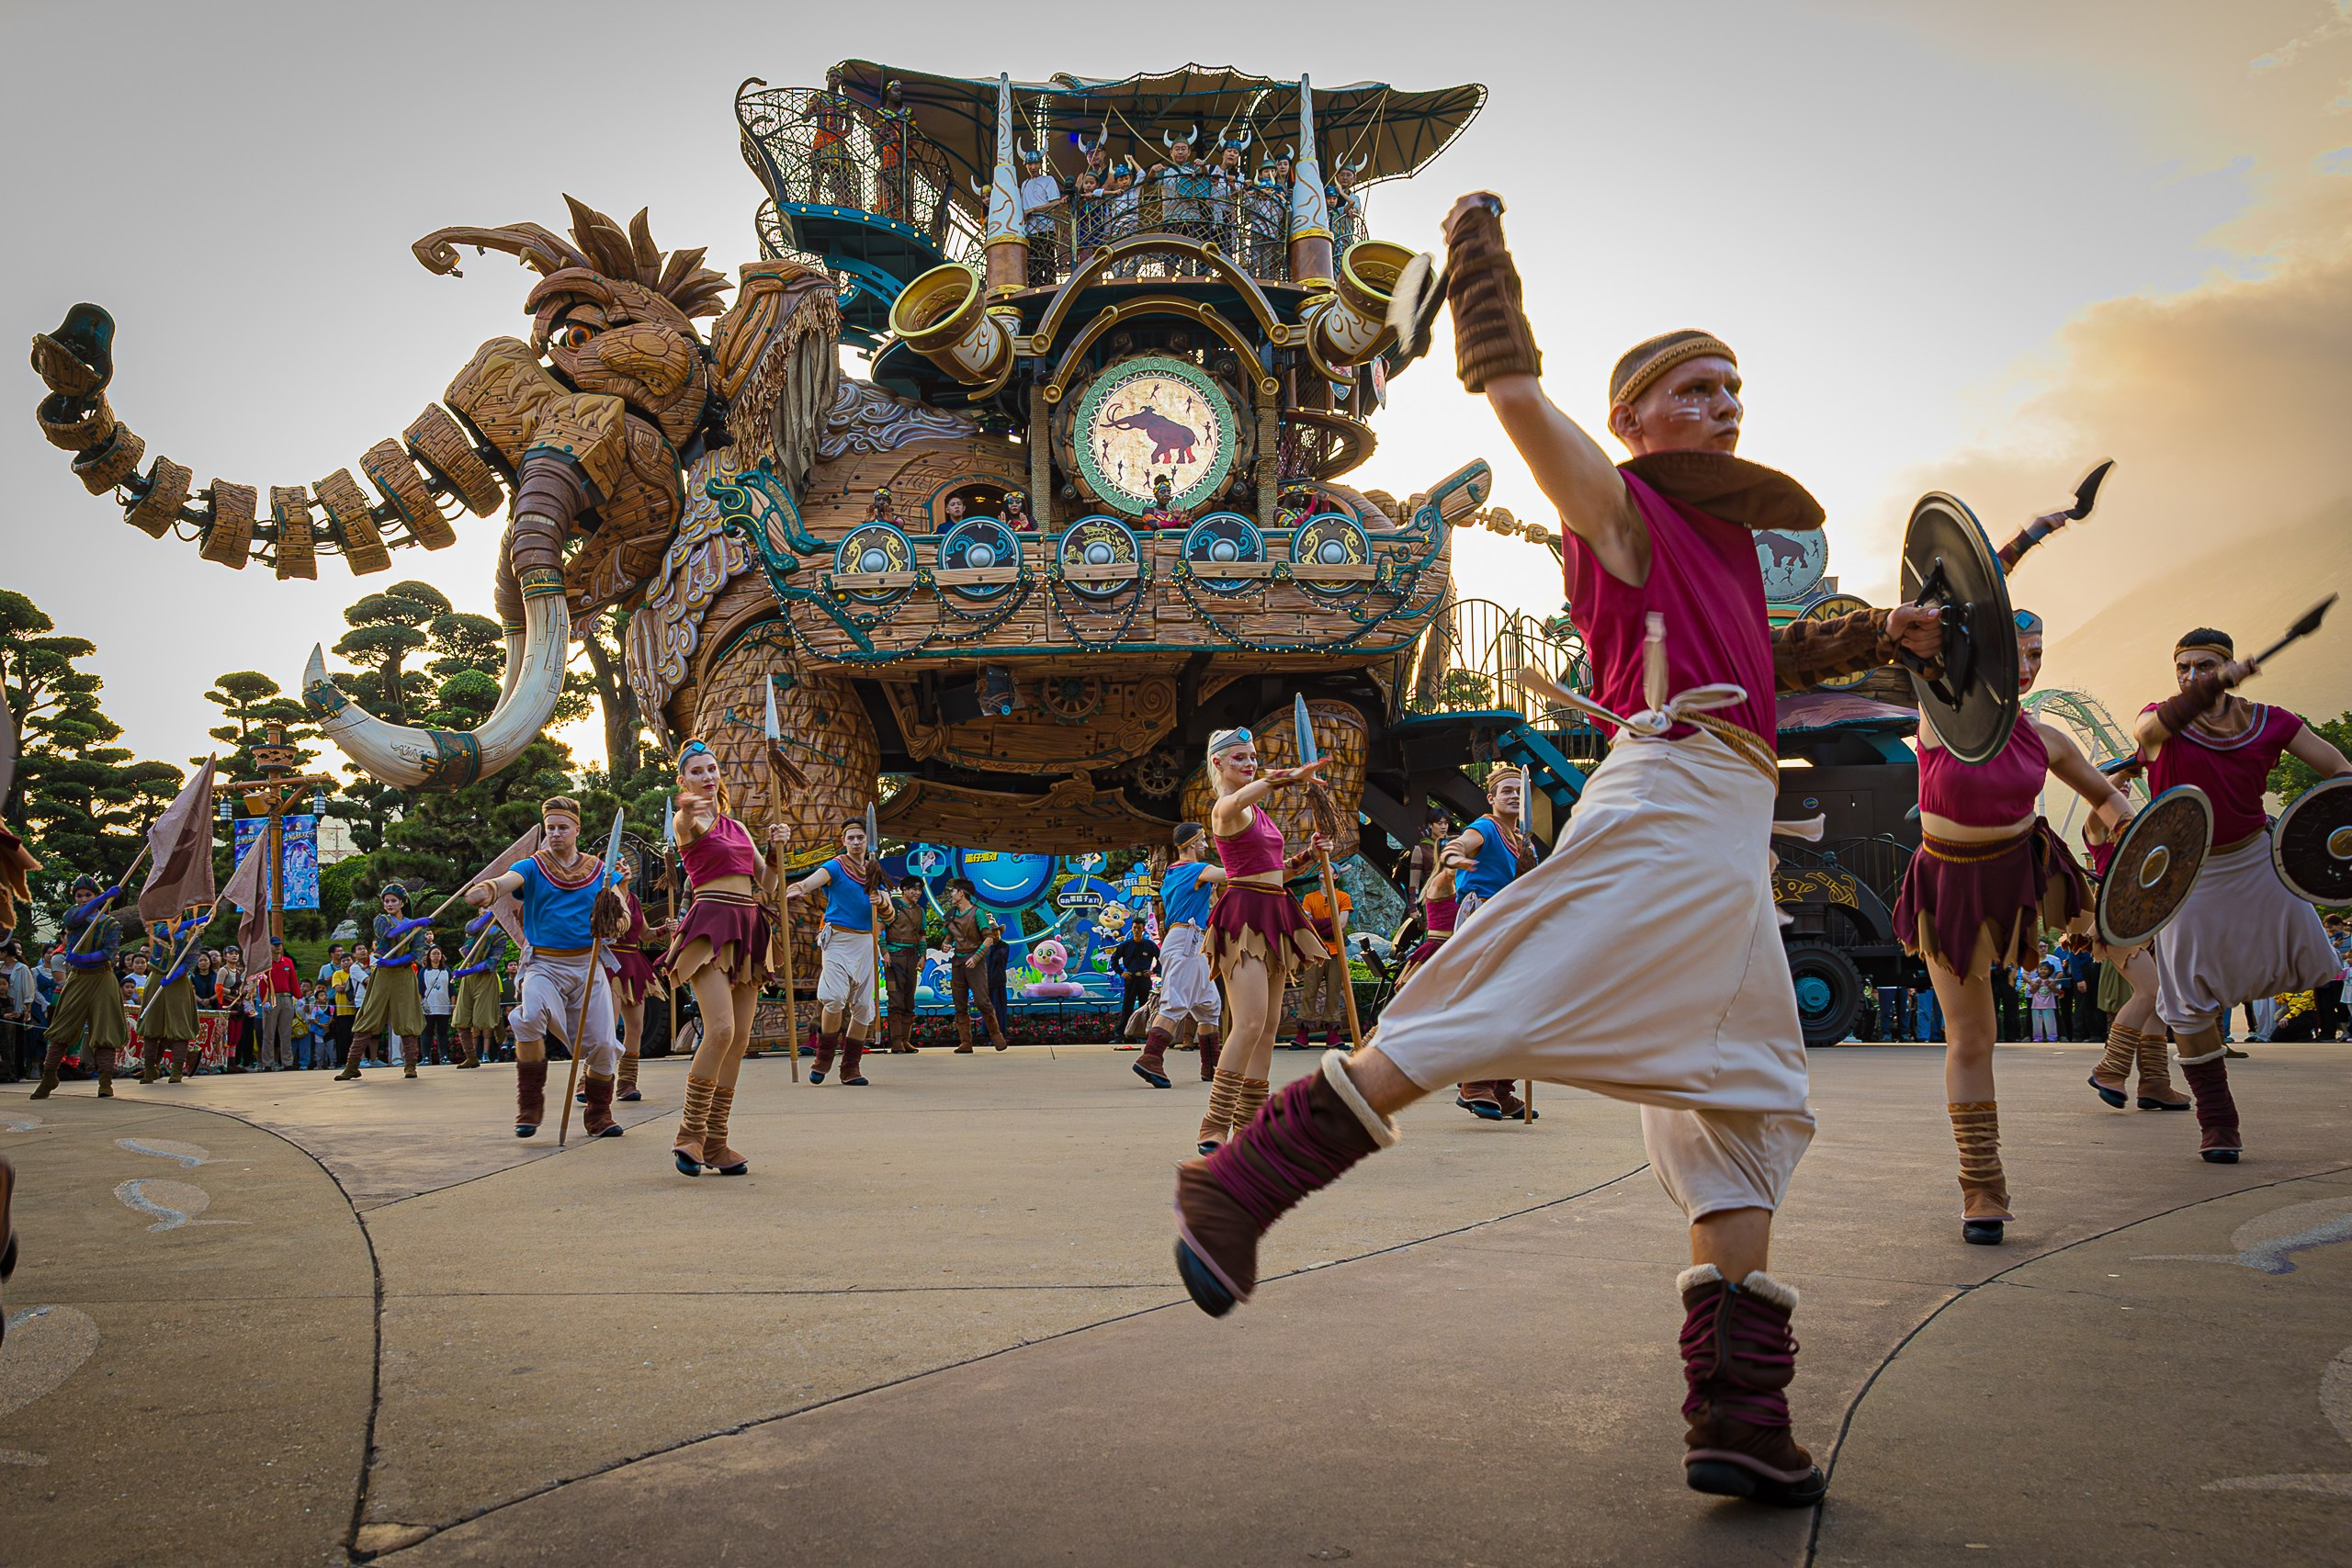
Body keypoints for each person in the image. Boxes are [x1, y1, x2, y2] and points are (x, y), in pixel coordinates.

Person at [1170, 193, 1944, 1508]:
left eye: (1735, 385)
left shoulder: (1723, 554)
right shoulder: (1625, 506)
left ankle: (1742, 1412)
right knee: (1506, 988)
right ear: (1635, 420)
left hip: (1726, 821)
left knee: (1753, 1102)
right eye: (1696, 389)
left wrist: (1895, 632)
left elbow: (1769, 655)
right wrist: (1478, 259)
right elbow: (1518, 394)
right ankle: (1244, 1179)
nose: (1725, 401)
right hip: (1670, 791)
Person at [1892, 601, 2137, 1244]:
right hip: (1950, 885)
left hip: (2026, 872)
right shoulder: (1939, 713)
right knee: (1973, 1036)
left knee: (2146, 967)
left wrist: (2139, 829)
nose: (2029, 665)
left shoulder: (2049, 739)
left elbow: (2112, 802)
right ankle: (1981, 1186)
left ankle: (2154, 1063)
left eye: (2037, 653)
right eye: (2017, 651)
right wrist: (2022, 539)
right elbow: (1936, 631)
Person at [2132, 626, 2352, 1162]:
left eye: (2204, 666)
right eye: (2182, 667)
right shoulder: (2162, 718)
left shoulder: (2271, 721)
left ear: (2226, 665)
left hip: (2258, 861)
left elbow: (2341, 772)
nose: (2190, 676)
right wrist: (2204, 690)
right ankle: (2219, 1124)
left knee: (2314, 963)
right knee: (2186, 1003)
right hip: (2186, 871)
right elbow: (2148, 730)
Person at [1190, 727, 1333, 1153]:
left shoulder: (1262, 816)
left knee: (1269, 1027)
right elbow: (1242, 797)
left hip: (1275, 909)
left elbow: (1276, 871)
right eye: (1238, 758)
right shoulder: (1225, 809)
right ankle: (1214, 1124)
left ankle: (1251, 1127)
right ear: (1218, 763)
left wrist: (1308, 855)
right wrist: (1289, 775)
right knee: (1249, 1021)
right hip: (1244, 916)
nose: (1249, 763)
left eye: (1252, 756)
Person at [467, 798, 630, 1138]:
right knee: (529, 1017)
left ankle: (599, 1114)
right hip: (544, 963)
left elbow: (621, 907)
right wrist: (487, 889)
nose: (556, 833)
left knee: (603, 1043)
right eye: (551, 827)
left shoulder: (600, 869)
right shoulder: (533, 866)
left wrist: (618, 919)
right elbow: (506, 881)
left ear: (576, 830)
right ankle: (529, 1105)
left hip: (588, 965)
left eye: (563, 827)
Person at [662, 741, 789, 1174]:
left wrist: (775, 848)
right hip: (709, 924)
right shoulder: (688, 820)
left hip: (748, 929)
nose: (707, 776)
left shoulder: (737, 828)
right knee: (719, 1029)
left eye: (712, 768)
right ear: (683, 780)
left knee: (737, 1041)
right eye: (696, 771)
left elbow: (768, 882)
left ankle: (717, 1143)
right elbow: (686, 816)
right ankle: (690, 1134)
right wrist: (689, 801)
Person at [1442, 764, 1538, 1119]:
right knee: (1488, 1000)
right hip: (1485, 920)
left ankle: (1500, 1085)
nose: (1514, 796)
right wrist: (1454, 855)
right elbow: (1462, 843)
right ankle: (1475, 1081)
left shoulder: (1525, 841)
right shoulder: (1486, 827)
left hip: (1516, 926)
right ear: (1492, 798)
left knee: (1524, 1006)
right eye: (1507, 791)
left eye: (1519, 791)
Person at [786, 818, 888, 1086]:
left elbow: (889, 912)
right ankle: (824, 1056)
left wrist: (883, 902)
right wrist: (800, 887)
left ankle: (850, 1067)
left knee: (865, 1009)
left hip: (867, 942)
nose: (856, 842)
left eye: (860, 838)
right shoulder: (837, 865)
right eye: (851, 837)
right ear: (844, 841)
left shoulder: (874, 870)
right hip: (838, 940)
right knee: (832, 999)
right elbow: (814, 880)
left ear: (867, 841)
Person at [1136, 823, 1227, 1088]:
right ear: (1193, 843)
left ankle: (1211, 1066)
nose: (1206, 846)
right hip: (1187, 940)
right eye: (1203, 841)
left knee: (1210, 1005)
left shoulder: (1173, 872)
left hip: (1190, 940)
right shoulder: (1195, 869)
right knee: (1175, 1002)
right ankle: (1150, 1058)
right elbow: (1229, 873)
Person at [31, 874, 130, 1099]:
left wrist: (82, 958)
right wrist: (104, 897)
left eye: (89, 895)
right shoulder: (72, 916)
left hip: (102, 978)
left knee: (106, 1031)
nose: (83, 899)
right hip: (77, 979)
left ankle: (105, 1081)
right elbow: (76, 918)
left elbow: (109, 953)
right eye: (79, 895)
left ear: (95, 895)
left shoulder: (111, 924)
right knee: (61, 1029)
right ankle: (49, 1076)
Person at [337, 886, 434, 1081]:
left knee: (408, 1019)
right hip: (382, 975)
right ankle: (352, 1065)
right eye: (386, 901)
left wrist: (397, 961)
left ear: (403, 903)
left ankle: (410, 1065)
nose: (389, 904)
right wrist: (416, 923)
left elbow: (416, 953)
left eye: (394, 901)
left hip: (404, 976)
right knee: (368, 1017)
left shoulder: (416, 928)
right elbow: (389, 934)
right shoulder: (381, 920)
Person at [136, 908, 206, 1085]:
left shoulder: (192, 938)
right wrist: (192, 923)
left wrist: (175, 975)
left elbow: (190, 962)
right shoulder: (157, 928)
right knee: (151, 1028)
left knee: (179, 1030)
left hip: (179, 983)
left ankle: (177, 1072)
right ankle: (150, 1070)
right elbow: (169, 931)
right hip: (157, 979)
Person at [940, 879, 1007, 1052]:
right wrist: (946, 945)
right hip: (958, 962)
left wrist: (977, 958)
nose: (952, 894)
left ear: (961, 893)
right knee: (959, 1004)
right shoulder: (951, 915)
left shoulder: (978, 913)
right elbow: (948, 937)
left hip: (974, 962)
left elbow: (990, 937)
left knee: (982, 1001)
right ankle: (966, 1042)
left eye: (954, 891)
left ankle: (996, 1036)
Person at [1292, 874, 1353, 1055]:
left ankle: (1332, 1035)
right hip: (1315, 950)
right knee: (1309, 990)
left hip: (1336, 952)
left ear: (1335, 875)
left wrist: (1319, 924)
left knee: (1334, 991)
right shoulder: (1310, 898)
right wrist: (1328, 923)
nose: (1322, 872)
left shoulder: (1343, 897)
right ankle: (1302, 1034)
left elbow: (1341, 925)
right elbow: (1307, 924)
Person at [449, 910, 505, 1069]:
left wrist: (467, 971)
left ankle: (496, 1018)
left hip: (486, 977)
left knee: (483, 1020)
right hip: (468, 978)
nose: (486, 909)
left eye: (490, 906)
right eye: (484, 906)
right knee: (461, 1019)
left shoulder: (500, 935)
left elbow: (491, 962)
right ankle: (471, 1057)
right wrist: (492, 911)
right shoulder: (472, 925)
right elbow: (472, 929)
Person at [879, 874, 927, 1055]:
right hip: (895, 958)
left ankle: (906, 1041)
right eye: (913, 889)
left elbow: (922, 935)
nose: (917, 893)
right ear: (904, 890)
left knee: (909, 1000)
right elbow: (878, 930)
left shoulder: (920, 911)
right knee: (895, 999)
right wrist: (885, 952)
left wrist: (923, 956)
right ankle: (896, 1041)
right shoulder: (893, 906)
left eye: (919, 889)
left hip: (911, 956)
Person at [253, 938, 300, 1070]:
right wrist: (264, 1000)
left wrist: (299, 997)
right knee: (269, 1032)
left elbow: (293, 980)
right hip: (271, 998)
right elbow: (262, 983)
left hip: (286, 997)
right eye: (275, 945)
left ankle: (287, 1062)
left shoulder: (288, 962)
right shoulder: (265, 963)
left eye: (279, 945)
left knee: (286, 1032)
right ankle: (267, 1063)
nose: (278, 947)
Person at [1113, 924, 1160, 1046]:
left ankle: (1144, 1034)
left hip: (1144, 979)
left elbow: (1161, 958)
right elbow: (1114, 959)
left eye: (1139, 928)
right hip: (1131, 979)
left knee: (1145, 1006)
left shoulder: (1149, 945)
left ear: (1143, 929)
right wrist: (1122, 972)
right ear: (1132, 929)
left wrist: (1154, 971)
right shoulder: (1126, 945)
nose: (1137, 930)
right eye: (1135, 928)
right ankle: (1122, 1034)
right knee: (1127, 1006)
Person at [419, 946, 456, 1066]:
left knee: (443, 1032)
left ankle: (444, 1056)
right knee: (427, 1033)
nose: (436, 956)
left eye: (438, 954)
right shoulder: (424, 971)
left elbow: (452, 989)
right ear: (429, 956)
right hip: (428, 1006)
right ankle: (425, 1057)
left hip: (444, 1006)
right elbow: (420, 989)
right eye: (433, 954)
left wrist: (453, 1004)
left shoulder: (447, 970)